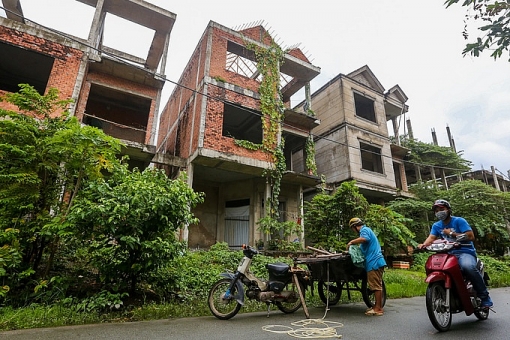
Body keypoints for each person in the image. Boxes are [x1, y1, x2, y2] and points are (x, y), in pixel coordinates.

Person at [419, 199, 493, 308]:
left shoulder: (459, 221)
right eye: (436, 210)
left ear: (448, 210)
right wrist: (423, 245)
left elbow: (470, 236)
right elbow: (431, 238)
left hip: (465, 252)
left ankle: (484, 297)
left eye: (442, 209)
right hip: (447, 254)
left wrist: (452, 233)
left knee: (467, 267)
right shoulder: (436, 226)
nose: (439, 212)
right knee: (434, 267)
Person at [346, 217, 387, 316]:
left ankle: (378, 309)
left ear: (355, 226)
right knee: (376, 285)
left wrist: (352, 242)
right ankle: (376, 306)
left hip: (374, 262)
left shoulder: (364, 230)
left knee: (376, 286)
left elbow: (365, 239)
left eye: (352, 228)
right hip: (374, 262)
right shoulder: (366, 231)